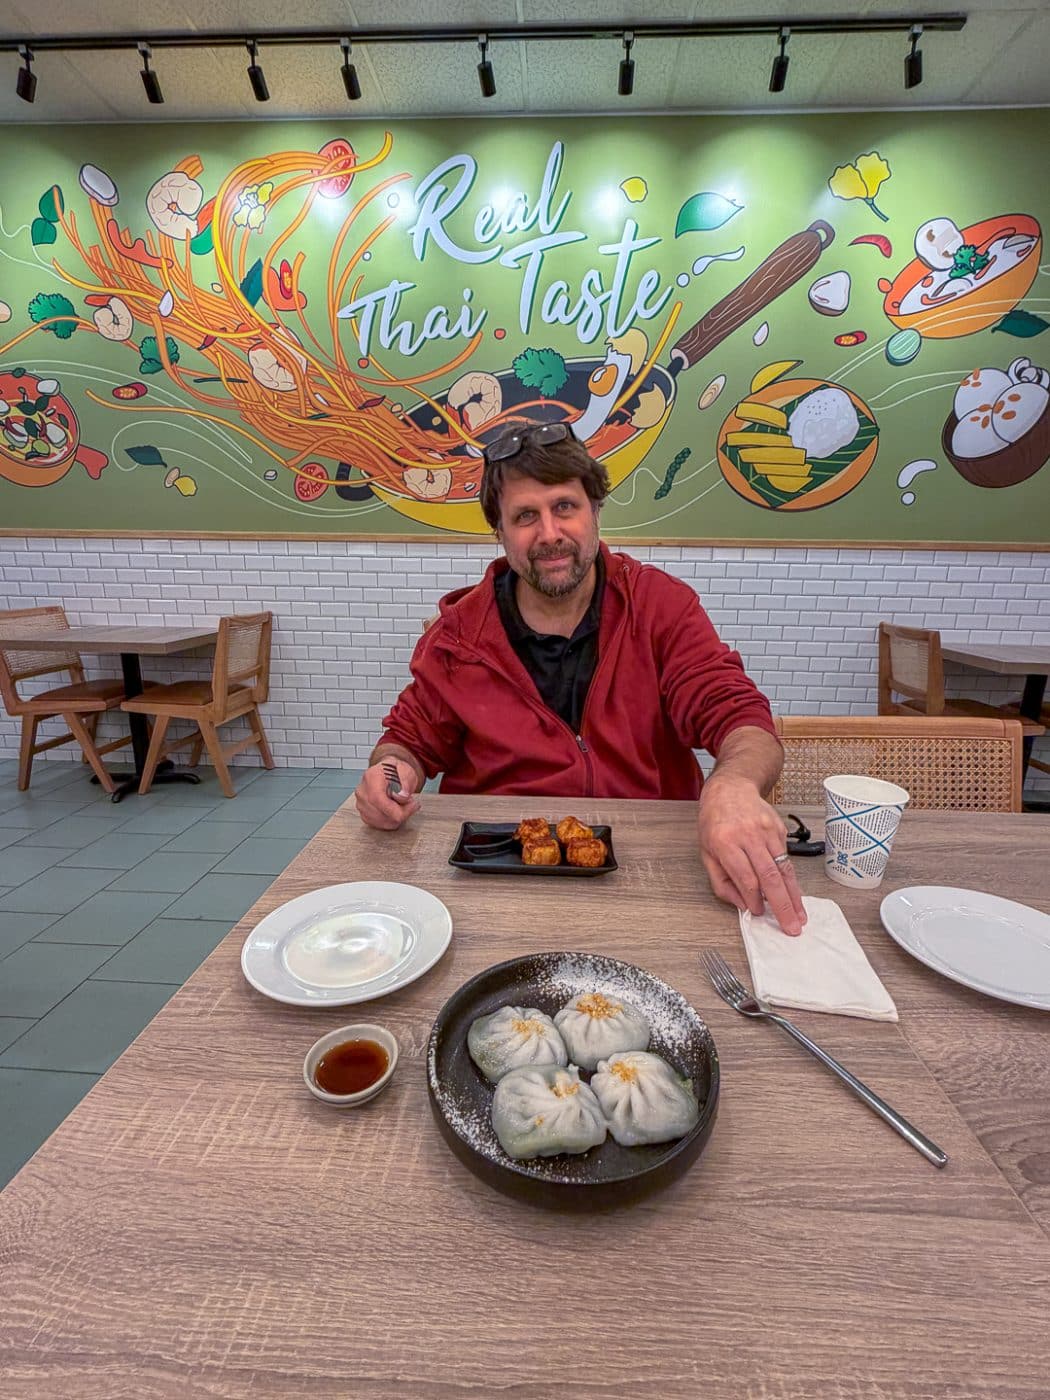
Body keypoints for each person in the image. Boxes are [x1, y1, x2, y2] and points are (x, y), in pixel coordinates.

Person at [354, 423, 806, 936]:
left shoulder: (661, 608)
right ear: (499, 532)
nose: (549, 534)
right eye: (525, 516)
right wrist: (391, 774)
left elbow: (738, 715)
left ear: (595, 511)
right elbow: (409, 741)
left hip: (651, 878)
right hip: (494, 882)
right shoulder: (458, 637)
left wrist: (733, 784)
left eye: (564, 506)